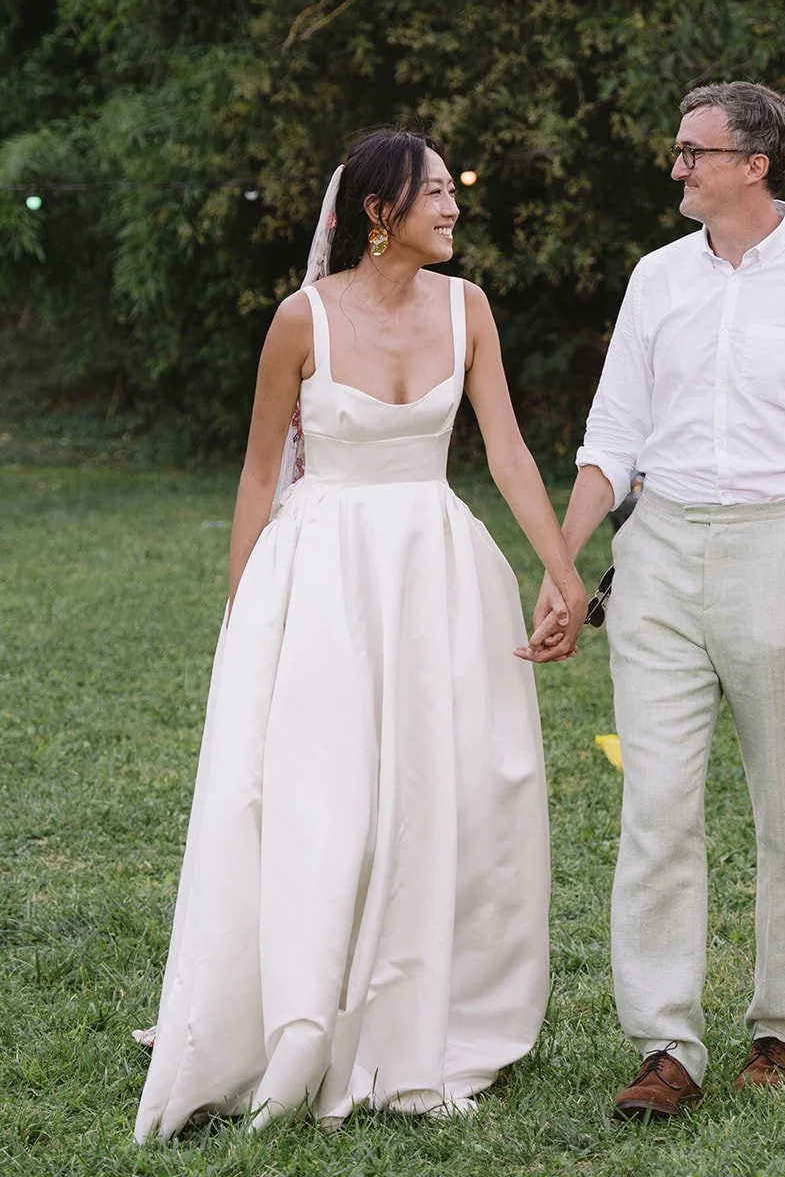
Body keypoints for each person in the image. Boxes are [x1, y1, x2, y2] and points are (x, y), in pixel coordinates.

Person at [135, 127, 585, 1142]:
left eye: (451, 190)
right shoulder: (301, 320)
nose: (452, 206)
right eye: (431, 193)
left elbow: (506, 450)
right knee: (321, 791)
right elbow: (259, 473)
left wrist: (563, 578)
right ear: (376, 213)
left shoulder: (470, 310)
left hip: (432, 570)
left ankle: (412, 1010)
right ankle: (295, 1014)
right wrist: (245, 612)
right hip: (324, 574)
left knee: (440, 786)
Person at [534, 81, 785, 1116]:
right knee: (655, 807)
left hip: (778, 550)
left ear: (753, 163)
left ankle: (781, 1026)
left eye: (692, 151)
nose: (676, 168)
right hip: (655, 553)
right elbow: (610, 437)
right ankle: (666, 1046)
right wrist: (563, 562)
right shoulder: (655, 279)